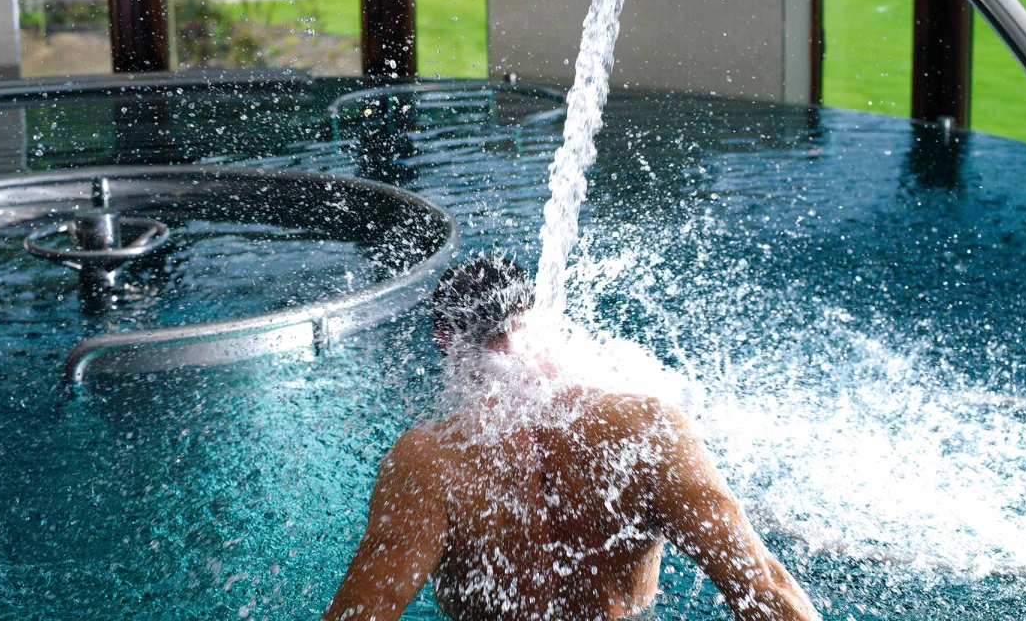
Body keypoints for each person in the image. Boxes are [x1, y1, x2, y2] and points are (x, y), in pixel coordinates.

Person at [321, 255, 819, 621]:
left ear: (446, 340)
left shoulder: (430, 461)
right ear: (535, 318)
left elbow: (364, 613)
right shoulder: (647, 428)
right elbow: (764, 589)